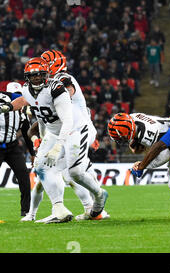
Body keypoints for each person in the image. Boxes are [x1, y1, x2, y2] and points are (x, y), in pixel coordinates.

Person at [1, 57, 108, 223]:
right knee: (41, 168)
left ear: (47, 74)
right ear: (27, 76)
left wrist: (57, 146)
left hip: (74, 130)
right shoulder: (27, 88)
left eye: (40, 75)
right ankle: (59, 209)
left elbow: (67, 121)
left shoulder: (57, 88)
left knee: (75, 173)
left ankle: (99, 196)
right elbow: (24, 99)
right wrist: (8, 107)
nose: (36, 78)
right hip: (54, 131)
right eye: (33, 75)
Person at [0, 82, 35, 217]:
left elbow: (27, 133)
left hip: (12, 146)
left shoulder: (22, 112)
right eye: (17, 95)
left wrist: (32, 154)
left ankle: (26, 212)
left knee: (24, 178)